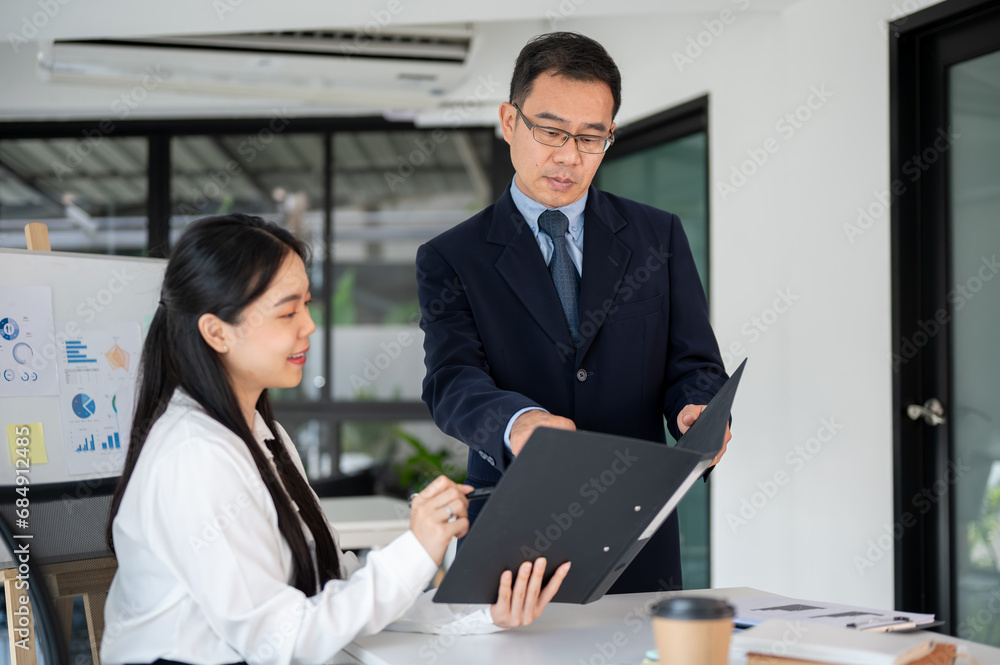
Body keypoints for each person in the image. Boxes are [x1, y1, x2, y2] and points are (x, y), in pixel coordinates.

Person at [101, 214, 570, 665]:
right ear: (216, 332)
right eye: (288, 312)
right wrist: (417, 548)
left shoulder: (262, 435)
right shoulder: (195, 456)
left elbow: (334, 591)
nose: (309, 325)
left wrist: (481, 613)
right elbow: (278, 639)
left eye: (307, 303)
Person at [417, 32, 731, 594]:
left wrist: (695, 407)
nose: (569, 156)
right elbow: (451, 380)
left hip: (639, 525)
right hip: (513, 527)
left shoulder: (657, 235)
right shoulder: (452, 256)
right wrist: (518, 423)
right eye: (551, 131)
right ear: (509, 121)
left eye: (592, 137)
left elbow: (692, 360)